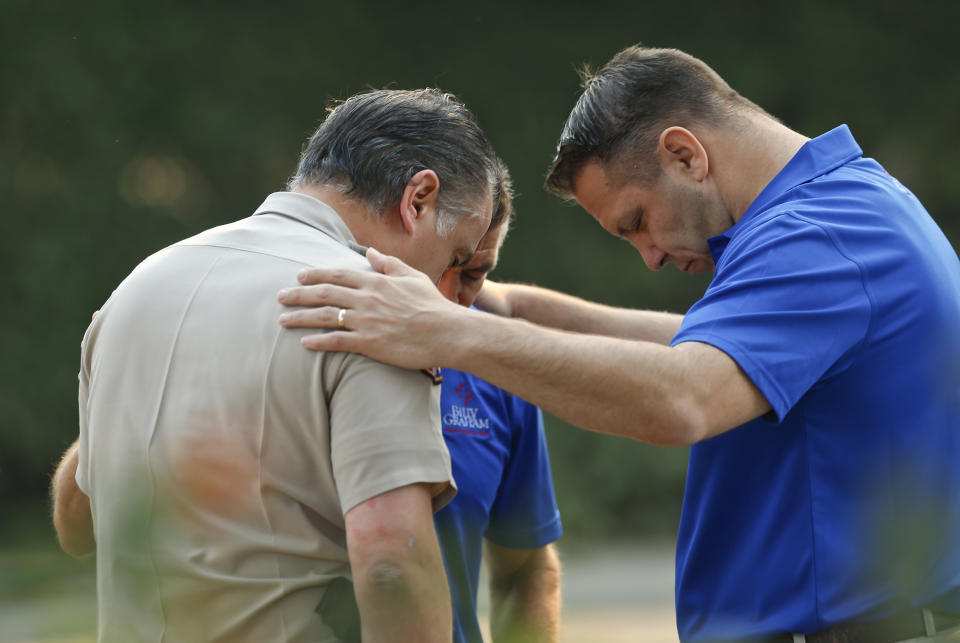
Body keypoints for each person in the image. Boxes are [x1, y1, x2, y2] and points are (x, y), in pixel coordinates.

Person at [276, 46, 960, 643]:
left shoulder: (818, 236)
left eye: (638, 222)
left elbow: (685, 394)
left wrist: (448, 331)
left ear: (684, 153)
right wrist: (506, 305)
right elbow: (707, 350)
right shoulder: (844, 206)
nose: (651, 258)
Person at [51, 87, 505, 643]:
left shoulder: (133, 291)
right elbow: (392, 565)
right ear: (418, 200)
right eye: (457, 257)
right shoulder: (369, 311)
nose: (440, 294)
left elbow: (77, 529)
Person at [434, 172, 563, 643]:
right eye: (438, 267)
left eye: (474, 274)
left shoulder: (498, 364)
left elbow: (526, 568)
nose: (450, 297)